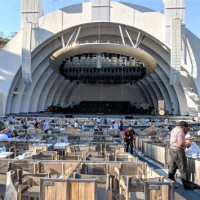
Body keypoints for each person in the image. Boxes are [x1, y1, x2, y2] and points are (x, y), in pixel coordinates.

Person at [168, 121, 196, 190]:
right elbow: (181, 143)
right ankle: (187, 186)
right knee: (183, 168)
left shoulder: (174, 129)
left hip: (172, 149)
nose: (186, 130)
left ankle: (170, 183)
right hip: (178, 150)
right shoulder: (181, 131)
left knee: (172, 168)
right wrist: (187, 144)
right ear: (184, 126)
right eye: (186, 128)